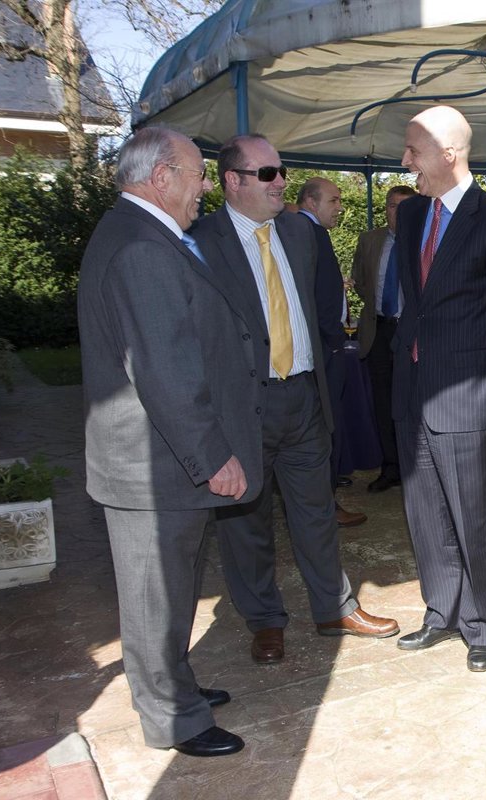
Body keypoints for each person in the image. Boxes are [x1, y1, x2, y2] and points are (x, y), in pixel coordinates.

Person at [79, 127, 256, 757]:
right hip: (153, 466)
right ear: (162, 177)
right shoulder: (141, 247)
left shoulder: (142, 234)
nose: (204, 187)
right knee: (155, 599)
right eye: (198, 174)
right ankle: (172, 717)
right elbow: (164, 369)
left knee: (174, 589)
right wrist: (214, 456)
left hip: (159, 462)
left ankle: (174, 686)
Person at [192, 134, 398, 666]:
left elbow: (320, 307)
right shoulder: (201, 241)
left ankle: (334, 608)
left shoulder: (299, 233)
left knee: (316, 513)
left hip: (304, 398)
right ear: (232, 181)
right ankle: (265, 620)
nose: (280, 181)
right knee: (246, 524)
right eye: (267, 174)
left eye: (281, 171)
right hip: (243, 407)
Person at [390, 106, 486, 672]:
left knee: (473, 519)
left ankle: (481, 625)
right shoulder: (411, 216)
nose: (406, 161)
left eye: (414, 150)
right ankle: (441, 612)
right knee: (424, 514)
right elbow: (415, 303)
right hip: (411, 392)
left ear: (448, 154)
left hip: (468, 399)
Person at [296, 176, 366, 527]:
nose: (340, 207)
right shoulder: (312, 234)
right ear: (311, 202)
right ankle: (326, 506)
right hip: (325, 351)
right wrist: (336, 340)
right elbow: (323, 299)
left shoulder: (301, 231)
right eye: (333, 200)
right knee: (326, 429)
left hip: (319, 348)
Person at [351, 184, 417, 494]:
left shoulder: (426, 241)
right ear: (385, 209)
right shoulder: (369, 240)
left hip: (412, 333)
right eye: (392, 206)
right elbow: (361, 283)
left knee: (415, 402)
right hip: (378, 331)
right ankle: (391, 468)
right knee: (383, 402)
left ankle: (417, 468)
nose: (398, 213)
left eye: (406, 207)